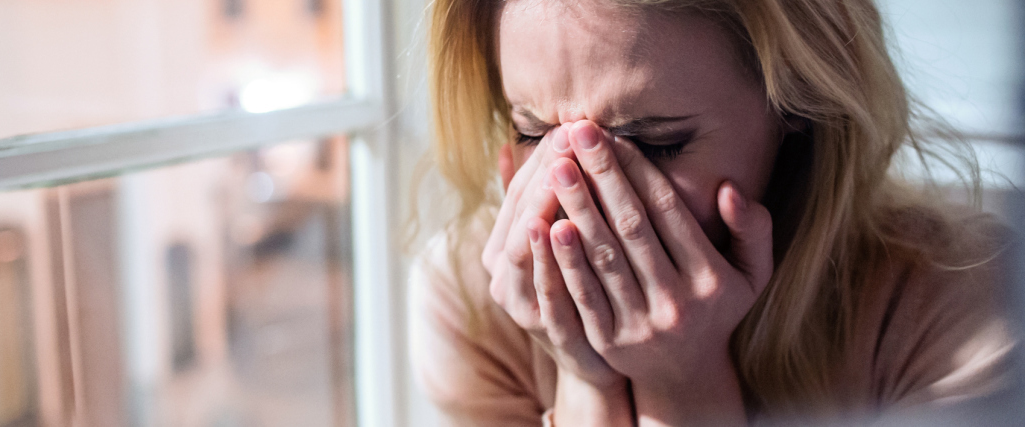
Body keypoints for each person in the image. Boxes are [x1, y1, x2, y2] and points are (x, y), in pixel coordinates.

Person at [408, 0, 1019, 425]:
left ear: (798, 107)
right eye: (535, 134)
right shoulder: (469, 303)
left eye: (655, 143)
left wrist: (686, 386)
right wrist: (585, 379)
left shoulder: (960, 304)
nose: (578, 195)